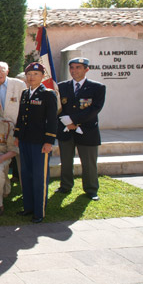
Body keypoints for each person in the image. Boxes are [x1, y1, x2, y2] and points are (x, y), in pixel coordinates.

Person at [56, 57, 106, 200]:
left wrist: (73, 121)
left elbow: (95, 109)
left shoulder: (97, 87)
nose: (74, 70)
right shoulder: (62, 86)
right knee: (65, 161)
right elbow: (59, 107)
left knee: (89, 163)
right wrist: (66, 121)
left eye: (78, 67)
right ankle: (65, 186)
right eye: (72, 67)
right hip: (66, 130)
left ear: (86, 69)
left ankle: (91, 189)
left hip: (87, 131)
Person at [13, 62, 57, 223]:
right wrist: (17, 135)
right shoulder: (25, 93)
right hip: (24, 140)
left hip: (40, 143)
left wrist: (49, 141)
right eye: (29, 74)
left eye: (35, 74)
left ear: (43, 76)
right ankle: (28, 207)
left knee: (39, 177)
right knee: (26, 174)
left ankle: (39, 211)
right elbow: (21, 117)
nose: (32, 77)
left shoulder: (48, 94)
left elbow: (52, 120)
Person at [0, 61, 26, 184]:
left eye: (2, 70)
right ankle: (3, 188)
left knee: (21, 160)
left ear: (7, 71)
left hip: (19, 128)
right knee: (1, 160)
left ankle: (25, 188)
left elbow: (25, 107)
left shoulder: (19, 85)